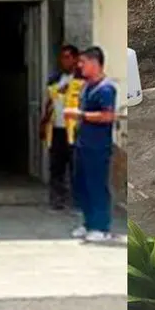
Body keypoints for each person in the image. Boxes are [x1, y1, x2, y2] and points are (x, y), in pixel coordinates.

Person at [64, 46, 117, 243]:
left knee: (96, 185)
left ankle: (101, 227)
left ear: (95, 63)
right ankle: (88, 223)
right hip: (82, 144)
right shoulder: (86, 87)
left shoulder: (106, 89)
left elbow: (107, 116)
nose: (80, 66)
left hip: (98, 146)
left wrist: (81, 115)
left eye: (83, 62)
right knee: (82, 185)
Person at [40, 44, 84, 210]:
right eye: (62, 57)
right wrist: (43, 123)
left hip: (75, 130)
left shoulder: (83, 80)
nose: (64, 61)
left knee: (76, 166)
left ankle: (77, 200)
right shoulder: (55, 79)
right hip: (56, 129)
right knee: (56, 166)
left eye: (67, 57)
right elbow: (50, 102)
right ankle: (57, 199)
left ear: (75, 58)